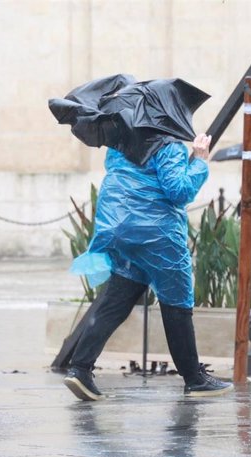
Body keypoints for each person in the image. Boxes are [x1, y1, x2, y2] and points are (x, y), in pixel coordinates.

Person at [63, 132, 234, 401]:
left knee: (117, 300)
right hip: (159, 237)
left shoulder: (119, 143)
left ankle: (80, 368)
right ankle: (194, 379)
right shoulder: (169, 145)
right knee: (177, 302)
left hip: (123, 231)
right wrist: (199, 161)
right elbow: (179, 191)